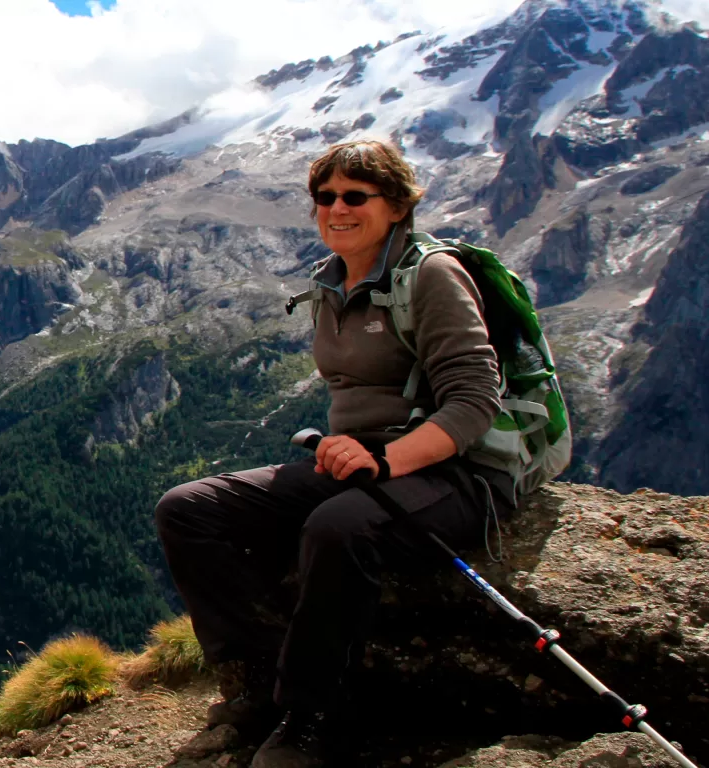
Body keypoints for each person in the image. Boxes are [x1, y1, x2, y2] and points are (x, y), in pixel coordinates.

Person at [154, 139, 514, 768]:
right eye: (325, 197)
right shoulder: (333, 280)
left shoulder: (431, 275)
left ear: (397, 205)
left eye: (355, 196)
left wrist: (386, 460)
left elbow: (474, 400)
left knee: (336, 529)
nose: (336, 209)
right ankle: (262, 678)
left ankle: (315, 715)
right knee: (189, 509)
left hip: (453, 469)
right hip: (362, 459)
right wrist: (361, 456)